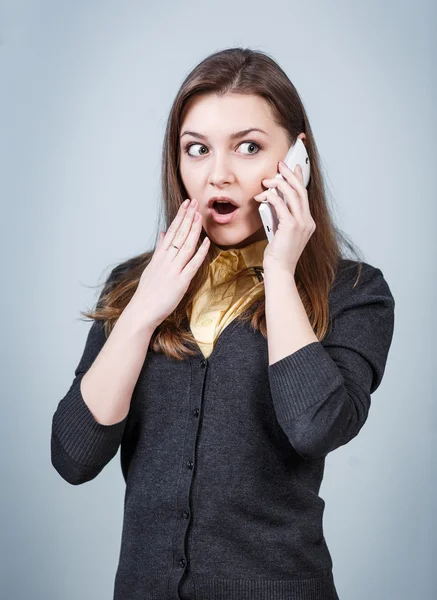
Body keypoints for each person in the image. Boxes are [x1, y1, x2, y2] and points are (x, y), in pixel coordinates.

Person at [51, 47, 395, 600]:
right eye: (197, 150)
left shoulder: (354, 291)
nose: (218, 175)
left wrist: (281, 273)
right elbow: (73, 456)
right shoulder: (133, 285)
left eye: (249, 147)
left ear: (298, 157)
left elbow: (316, 427)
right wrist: (141, 313)